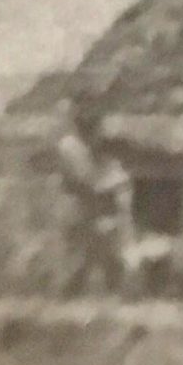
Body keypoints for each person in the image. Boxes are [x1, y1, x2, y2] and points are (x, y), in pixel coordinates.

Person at [55, 95, 133, 297]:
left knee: (103, 247)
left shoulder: (90, 145)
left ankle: (112, 289)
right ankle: (70, 291)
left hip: (92, 205)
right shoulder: (70, 146)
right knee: (85, 251)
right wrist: (116, 180)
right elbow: (88, 180)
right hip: (77, 204)